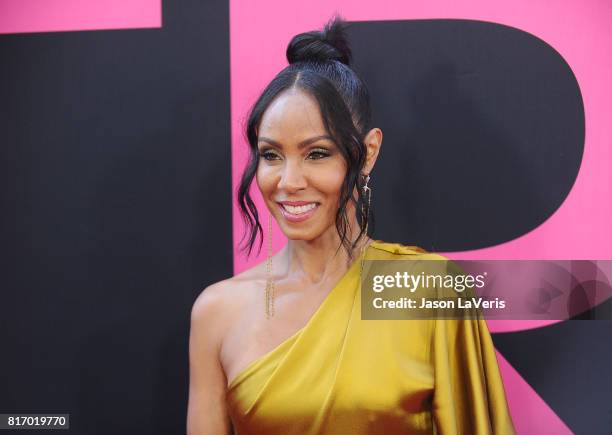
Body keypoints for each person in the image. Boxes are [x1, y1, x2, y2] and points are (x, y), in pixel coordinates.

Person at [187, 15, 516, 435]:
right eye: (271, 155)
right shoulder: (218, 312)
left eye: (317, 153)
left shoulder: (428, 290)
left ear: (368, 153)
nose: (288, 182)